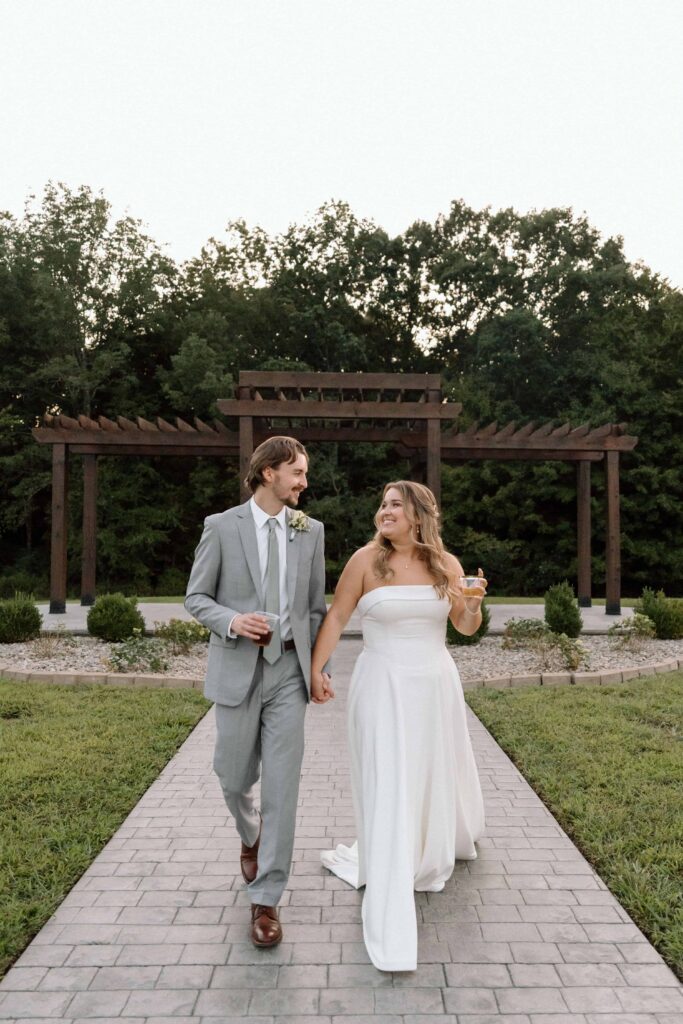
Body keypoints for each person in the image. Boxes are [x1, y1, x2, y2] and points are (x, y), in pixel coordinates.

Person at [310, 480, 485, 971]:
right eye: (382, 504)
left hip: (434, 685)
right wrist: (317, 670)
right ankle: (389, 859)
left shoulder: (446, 564)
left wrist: (472, 604)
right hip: (382, 684)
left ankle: (424, 848)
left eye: (395, 505)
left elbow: (463, 627)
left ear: (419, 515)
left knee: (428, 772)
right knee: (388, 775)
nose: (384, 511)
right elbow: (337, 616)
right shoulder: (365, 561)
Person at [185, 435, 330, 949]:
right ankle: (250, 835)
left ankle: (266, 898)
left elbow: (315, 610)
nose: (304, 482)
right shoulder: (221, 527)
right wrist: (232, 621)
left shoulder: (310, 531)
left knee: (282, 790)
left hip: (288, 672)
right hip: (237, 670)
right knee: (232, 777)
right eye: (298, 472)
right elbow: (196, 597)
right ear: (269, 472)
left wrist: (320, 669)